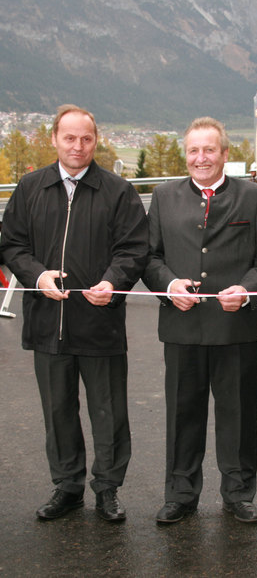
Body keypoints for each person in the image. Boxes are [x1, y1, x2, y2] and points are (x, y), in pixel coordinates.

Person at [0, 104, 149, 522]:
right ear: (54, 139)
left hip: (99, 324)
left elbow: (134, 249)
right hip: (47, 324)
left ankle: (107, 490)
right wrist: (36, 274)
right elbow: (11, 243)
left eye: (86, 138)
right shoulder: (30, 188)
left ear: (95, 140)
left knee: (109, 413)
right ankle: (66, 487)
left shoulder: (118, 191)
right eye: (70, 137)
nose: (78, 146)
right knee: (58, 411)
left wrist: (112, 281)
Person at [143, 117, 257, 524]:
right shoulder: (164, 196)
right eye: (193, 150)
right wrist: (168, 286)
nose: (200, 158)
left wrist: (248, 289)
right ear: (186, 155)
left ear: (225, 154)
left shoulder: (254, 196)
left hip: (234, 328)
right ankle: (181, 493)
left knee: (238, 415)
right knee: (182, 413)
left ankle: (238, 493)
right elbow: (149, 257)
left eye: (209, 150)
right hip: (182, 327)